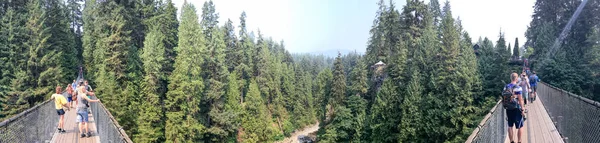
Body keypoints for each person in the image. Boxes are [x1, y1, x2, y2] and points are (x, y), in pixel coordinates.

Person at [504, 73, 526, 143]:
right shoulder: (518, 87)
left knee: (510, 125)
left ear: (511, 78)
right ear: (516, 78)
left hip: (508, 108)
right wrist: (522, 109)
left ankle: (511, 141)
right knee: (520, 126)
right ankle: (519, 141)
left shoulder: (506, 87)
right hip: (517, 108)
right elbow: (520, 99)